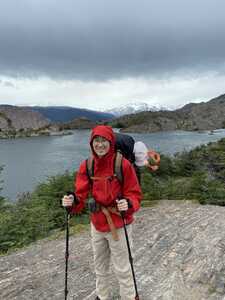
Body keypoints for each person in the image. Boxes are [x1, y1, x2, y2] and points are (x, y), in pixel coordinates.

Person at [62, 125, 142, 300]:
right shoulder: (87, 165)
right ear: (91, 143)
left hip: (119, 224)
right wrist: (72, 201)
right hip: (97, 224)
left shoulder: (123, 164)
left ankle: (129, 296)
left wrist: (127, 203)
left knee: (122, 267)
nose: (100, 145)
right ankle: (102, 296)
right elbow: (81, 195)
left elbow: (134, 194)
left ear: (111, 142)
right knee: (100, 265)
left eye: (103, 141)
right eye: (96, 141)